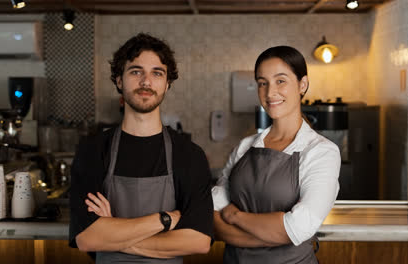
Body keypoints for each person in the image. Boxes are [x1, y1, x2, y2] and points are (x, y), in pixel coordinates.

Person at [69, 33, 213, 263]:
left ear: (167, 84)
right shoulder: (93, 151)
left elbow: (198, 241)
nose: (146, 81)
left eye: (157, 73)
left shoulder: (188, 155)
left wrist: (111, 234)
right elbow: (87, 238)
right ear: (119, 80)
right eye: (136, 72)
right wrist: (164, 220)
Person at [211, 46, 341, 264]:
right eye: (262, 83)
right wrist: (274, 232)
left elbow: (296, 228)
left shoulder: (321, 151)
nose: (270, 92)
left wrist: (236, 216)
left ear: (303, 84)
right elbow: (212, 215)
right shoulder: (244, 147)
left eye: (280, 81)